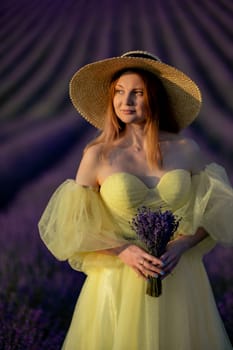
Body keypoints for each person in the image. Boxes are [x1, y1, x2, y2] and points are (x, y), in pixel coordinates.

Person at [38, 51, 233, 350]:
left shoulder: (185, 149)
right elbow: (73, 224)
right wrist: (122, 250)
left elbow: (216, 211)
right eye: (119, 92)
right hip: (117, 282)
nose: (125, 101)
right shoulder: (98, 155)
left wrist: (183, 244)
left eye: (136, 93)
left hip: (179, 279)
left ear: (154, 97)